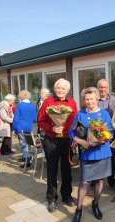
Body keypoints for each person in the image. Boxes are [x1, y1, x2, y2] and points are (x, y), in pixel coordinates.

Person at [69, 87, 114, 222]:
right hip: (87, 153)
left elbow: (110, 133)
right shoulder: (80, 114)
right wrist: (79, 140)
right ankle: (79, 209)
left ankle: (95, 204)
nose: (89, 101)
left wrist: (99, 141)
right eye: (86, 99)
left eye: (91, 99)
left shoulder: (105, 114)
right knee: (83, 183)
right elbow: (71, 132)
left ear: (96, 99)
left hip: (101, 152)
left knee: (99, 181)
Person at [38, 78, 78, 213]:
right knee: (52, 170)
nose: (60, 90)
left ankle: (67, 195)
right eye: (58, 88)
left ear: (67, 90)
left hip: (67, 140)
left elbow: (75, 123)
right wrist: (52, 128)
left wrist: (74, 138)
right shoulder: (48, 102)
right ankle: (51, 198)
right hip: (51, 140)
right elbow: (41, 121)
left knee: (66, 169)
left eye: (63, 88)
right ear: (55, 89)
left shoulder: (72, 103)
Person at [88, 79, 115, 195]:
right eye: (100, 87)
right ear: (97, 87)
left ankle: (112, 182)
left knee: (111, 160)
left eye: (105, 87)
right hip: (96, 135)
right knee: (95, 160)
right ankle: (92, 185)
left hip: (111, 135)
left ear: (108, 88)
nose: (103, 89)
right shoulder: (93, 99)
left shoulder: (114, 100)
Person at [12, 90, 37, 168]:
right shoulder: (33, 105)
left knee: (23, 144)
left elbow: (15, 119)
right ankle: (28, 159)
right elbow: (35, 119)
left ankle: (27, 161)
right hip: (29, 127)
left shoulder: (19, 105)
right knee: (28, 143)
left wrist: (13, 129)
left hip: (20, 127)